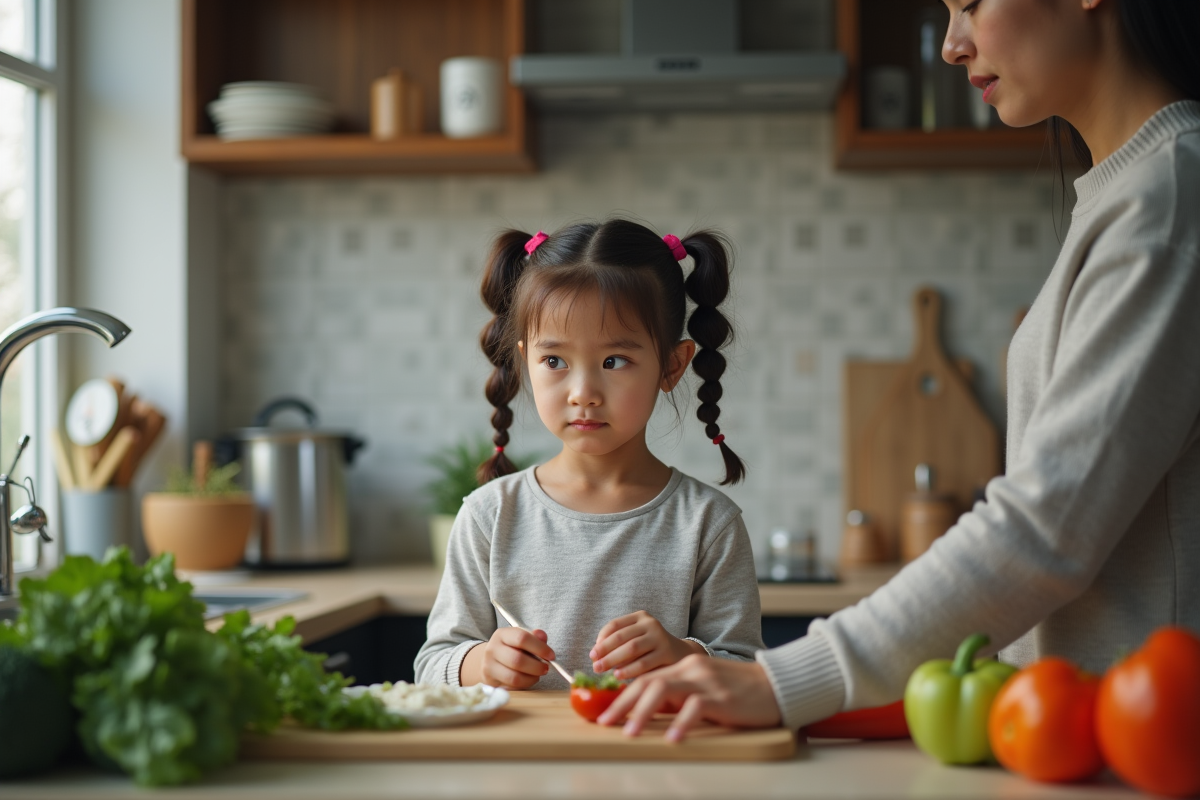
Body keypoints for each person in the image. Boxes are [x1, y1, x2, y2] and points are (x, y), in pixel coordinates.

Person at [601, 0, 1200, 741]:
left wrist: (782, 680)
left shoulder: (1171, 195)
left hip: (1155, 746)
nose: (952, 44)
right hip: (1083, 739)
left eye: (971, 4)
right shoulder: (1129, 193)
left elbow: (1049, 528)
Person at [414, 219, 765, 689]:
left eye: (614, 361)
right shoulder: (489, 516)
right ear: (526, 362)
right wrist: (479, 663)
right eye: (554, 361)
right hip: (519, 763)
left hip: (660, 760)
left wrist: (683, 656)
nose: (583, 393)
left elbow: (750, 675)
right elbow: (431, 667)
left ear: (672, 364)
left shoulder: (707, 524)